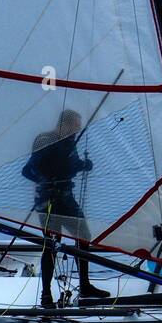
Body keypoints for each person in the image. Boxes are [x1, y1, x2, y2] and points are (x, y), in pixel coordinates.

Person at [22, 109, 108, 302]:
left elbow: (70, 166)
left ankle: (85, 286)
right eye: (75, 126)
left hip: (67, 199)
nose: (78, 130)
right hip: (47, 201)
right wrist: (46, 180)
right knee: (52, 243)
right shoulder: (45, 140)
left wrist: (83, 165)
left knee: (84, 236)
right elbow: (27, 171)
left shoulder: (71, 141)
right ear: (65, 124)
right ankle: (46, 294)